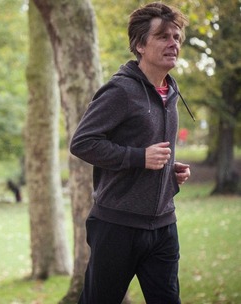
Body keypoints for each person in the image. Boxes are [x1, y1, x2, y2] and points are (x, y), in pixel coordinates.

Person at [69, 3, 192, 304]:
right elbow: (82, 142)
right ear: (140, 44)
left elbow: (148, 146)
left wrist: (168, 169)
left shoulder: (170, 92)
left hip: (163, 225)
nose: (173, 43)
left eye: (177, 37)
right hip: (117, 226)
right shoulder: (120, 91)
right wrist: (139, 157)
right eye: (163, 36)